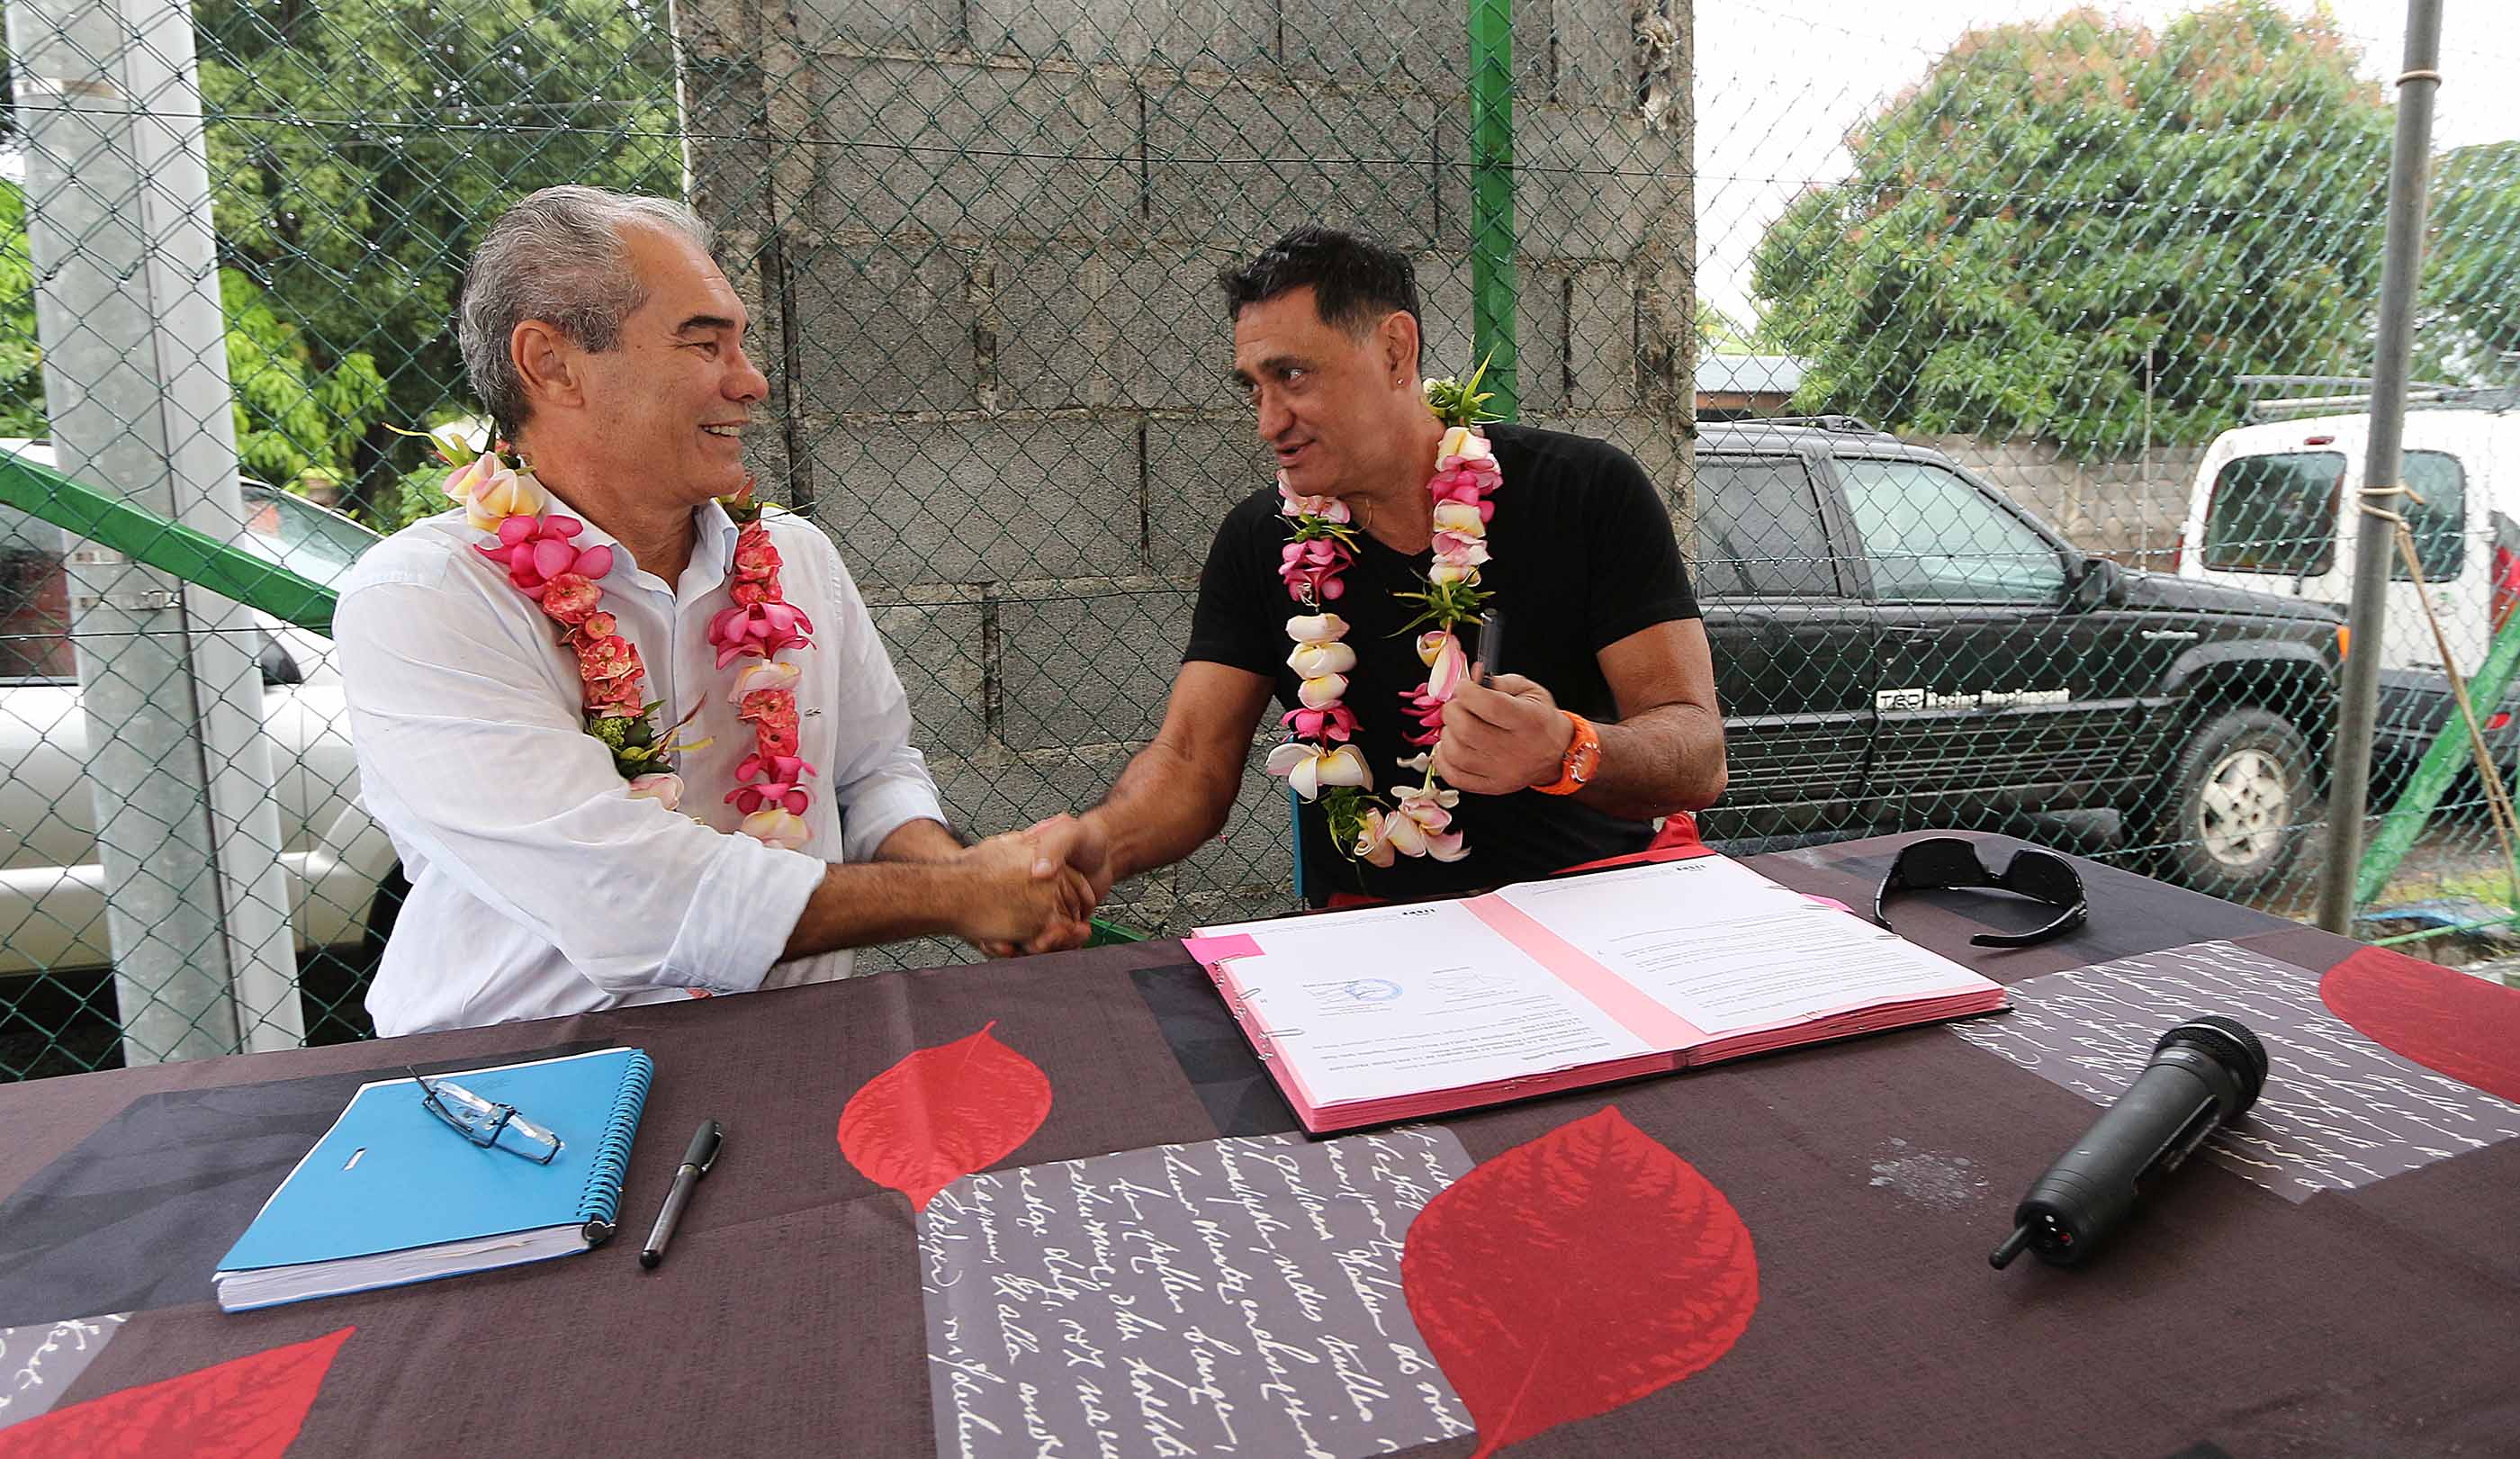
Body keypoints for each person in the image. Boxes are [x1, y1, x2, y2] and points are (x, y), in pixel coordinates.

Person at [336, 187, 1089, 1035]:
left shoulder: (796, 557)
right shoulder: (423, 600)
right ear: (551, 364)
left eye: (742, 344)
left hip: (795, 1045)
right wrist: (959, 895)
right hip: (525, 1082)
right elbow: (628, 897)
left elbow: (871, 772)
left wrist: (966, 876)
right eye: (704, 344)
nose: (752, 382)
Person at [1024, 225, 1725, 926]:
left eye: (1292, 375)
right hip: (1377, 934)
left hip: (1599, 898)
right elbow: (1191, 762)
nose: (1269, 422)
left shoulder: (1586, 490)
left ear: (1395, 349)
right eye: (1254, 388)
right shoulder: (1256, 539)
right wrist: (1100, 844)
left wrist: (1567, 748)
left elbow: (1697, 753)